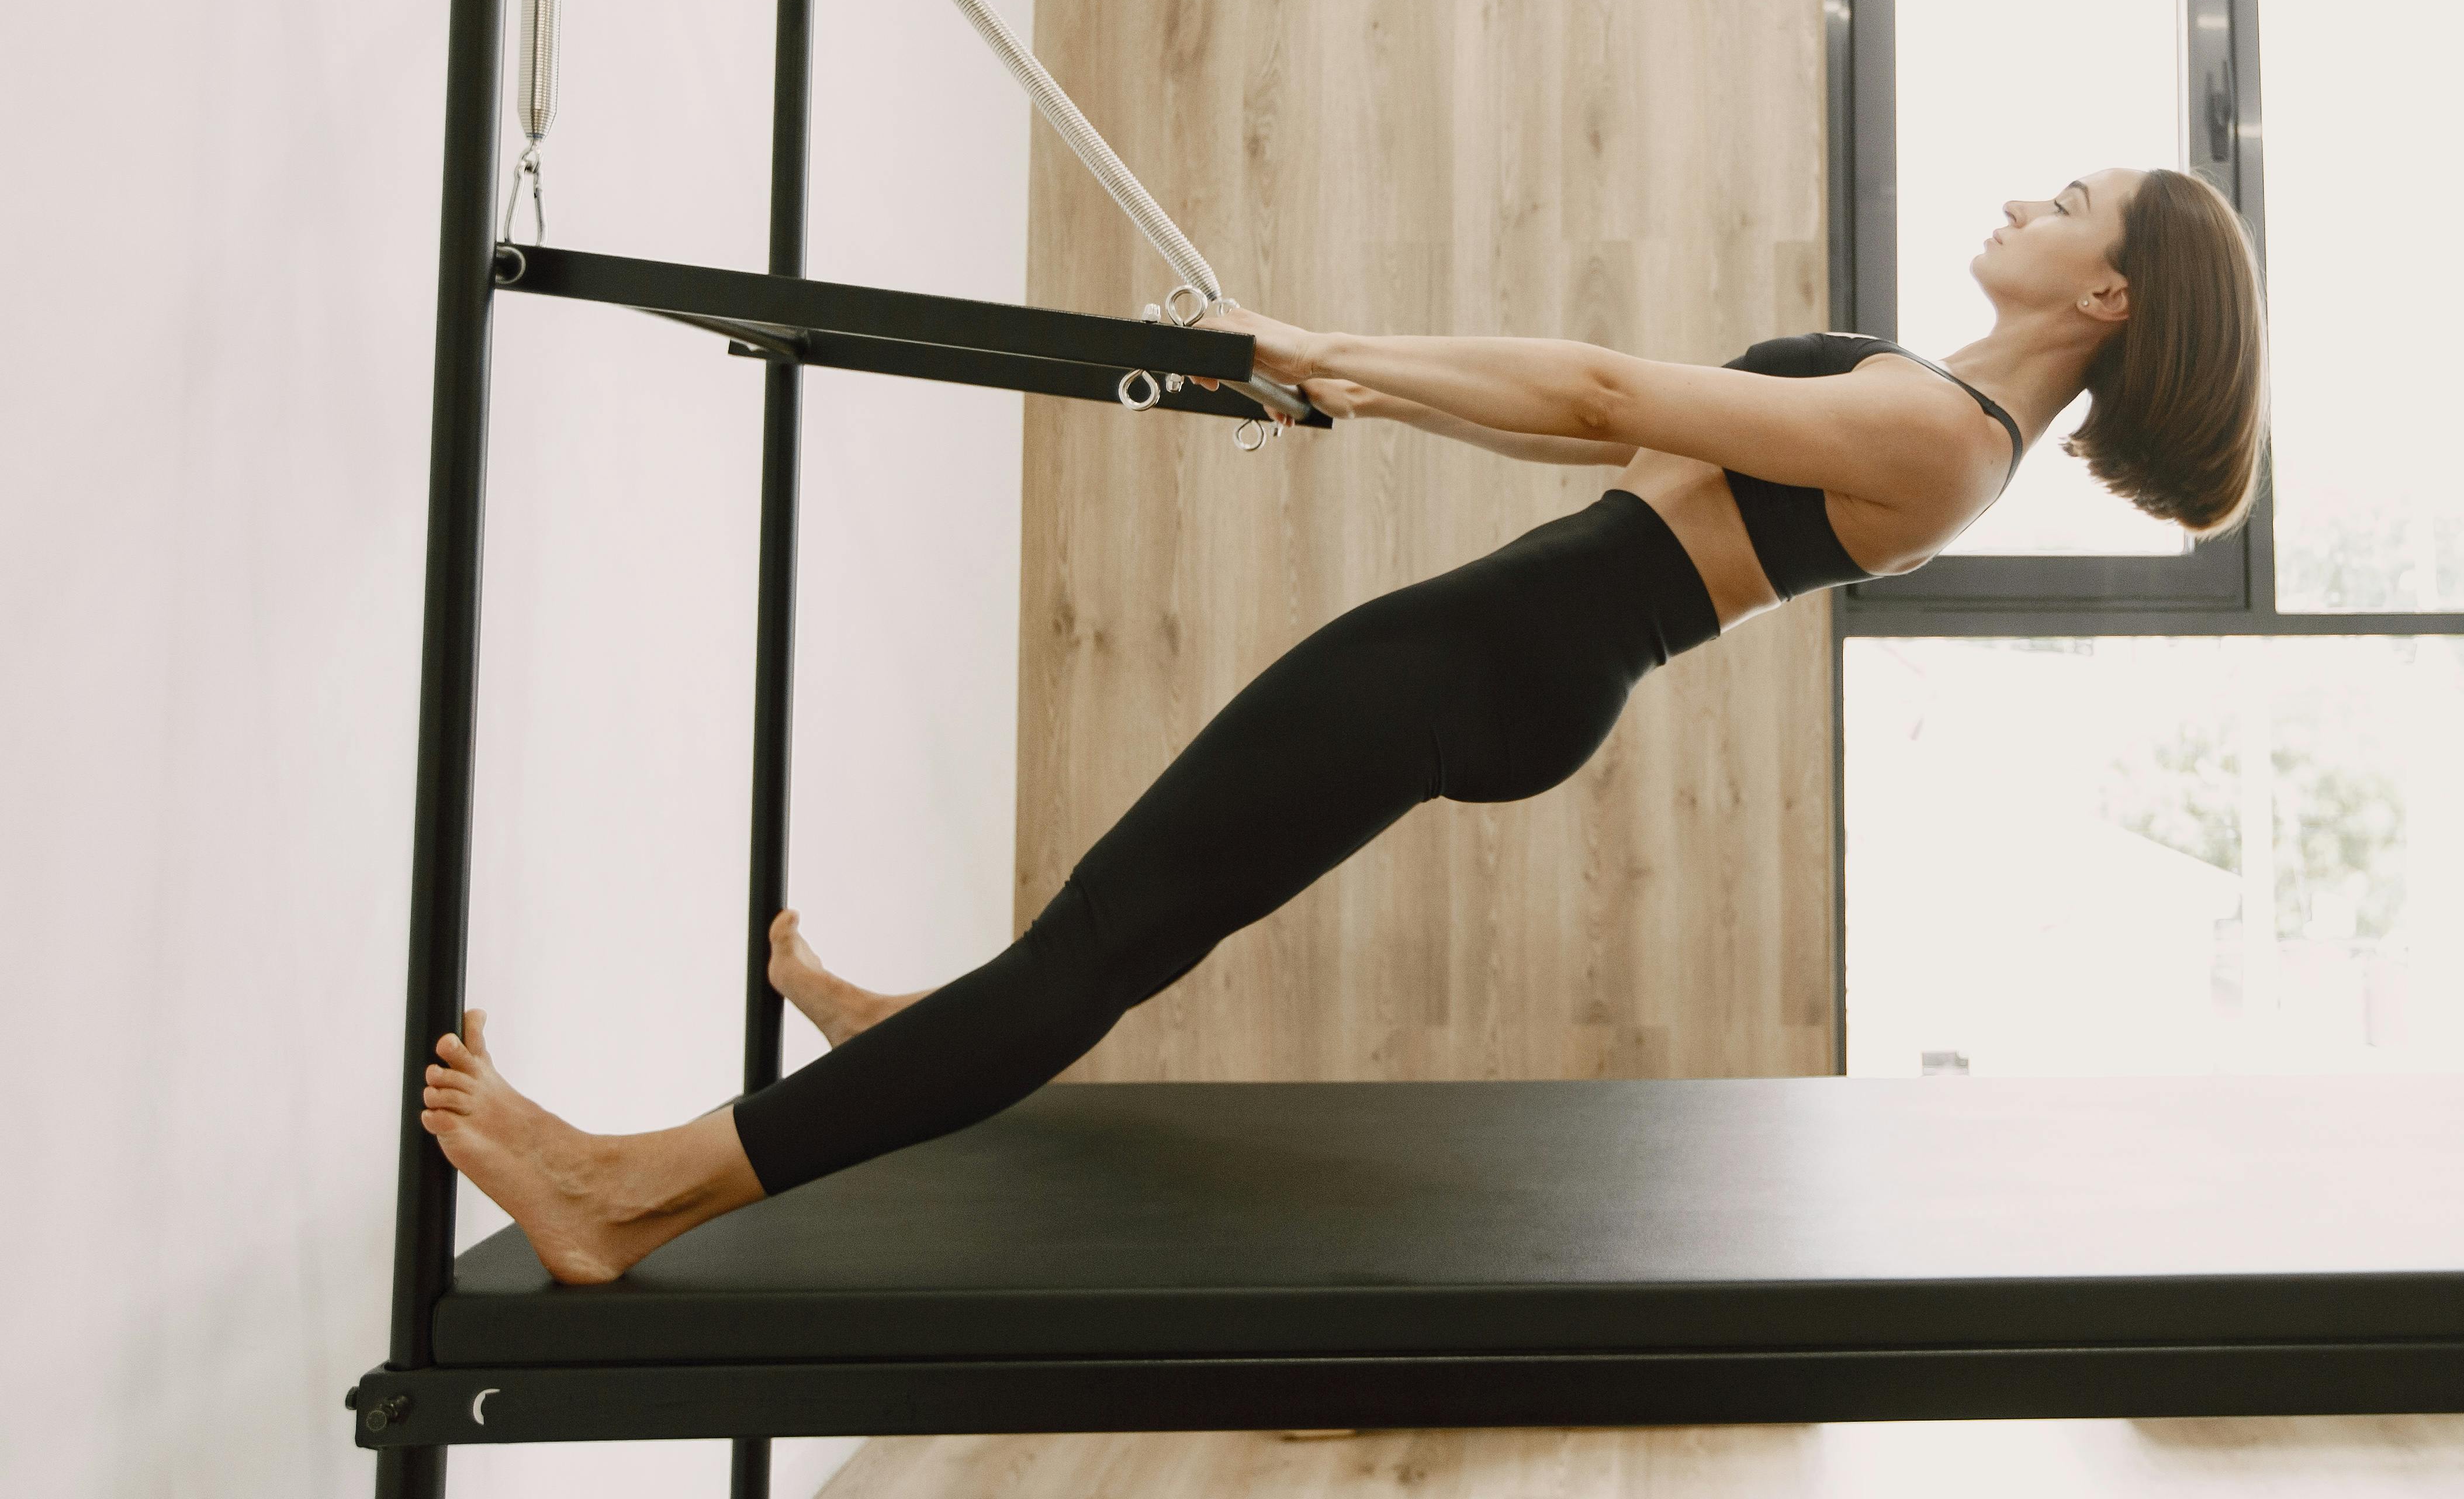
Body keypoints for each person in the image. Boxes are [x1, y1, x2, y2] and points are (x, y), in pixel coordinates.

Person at [421, 166, 2266, 1282]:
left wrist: (1338, 345)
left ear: (2106, 294)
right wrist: (1365, 399)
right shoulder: (1932, 404)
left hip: (1509, 650)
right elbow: (1602, 438)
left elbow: (1613, 380)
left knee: (1105, 947)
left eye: (2070, 202)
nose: (2030, 200)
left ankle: (627, 1195)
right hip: (1528, 643)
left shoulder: (1946, 441)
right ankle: (919, 1035)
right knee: (1122, 917)